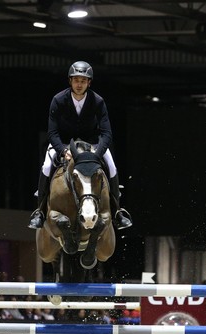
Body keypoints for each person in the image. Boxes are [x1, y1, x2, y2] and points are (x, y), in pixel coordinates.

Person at [28, 60, 132, 230]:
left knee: (111, 166)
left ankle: (117, 211)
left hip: (91, 143)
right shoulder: (58, 100)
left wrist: (98, 152)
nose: (79, 84)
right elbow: (52, 132)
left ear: (89, 83)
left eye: (83, 81)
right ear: (70, 81)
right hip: (62, 142)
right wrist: (62, 151)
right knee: (47, 166)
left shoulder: (97, 101)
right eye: (76, 80)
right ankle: (39, 211)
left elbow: (106, 133)